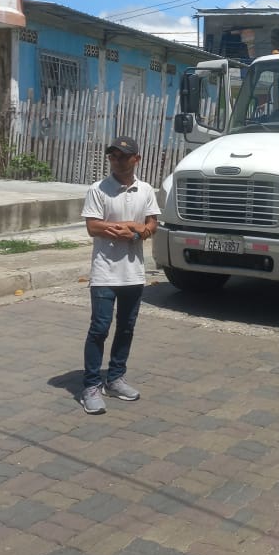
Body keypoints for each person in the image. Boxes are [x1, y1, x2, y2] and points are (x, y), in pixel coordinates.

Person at [80, 135, 160, 415]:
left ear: (136, 159)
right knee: (100, 328)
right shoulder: (98, 189)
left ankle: (115, 378)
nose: (117, 161)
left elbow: (152, 223)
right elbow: (93, 227)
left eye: (123, 156)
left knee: (126, 327)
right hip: (105, 272)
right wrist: (129, 225)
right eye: (113, 156)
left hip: (133, 273)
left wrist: (137, 232)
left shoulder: (145, 190)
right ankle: (91, 385)